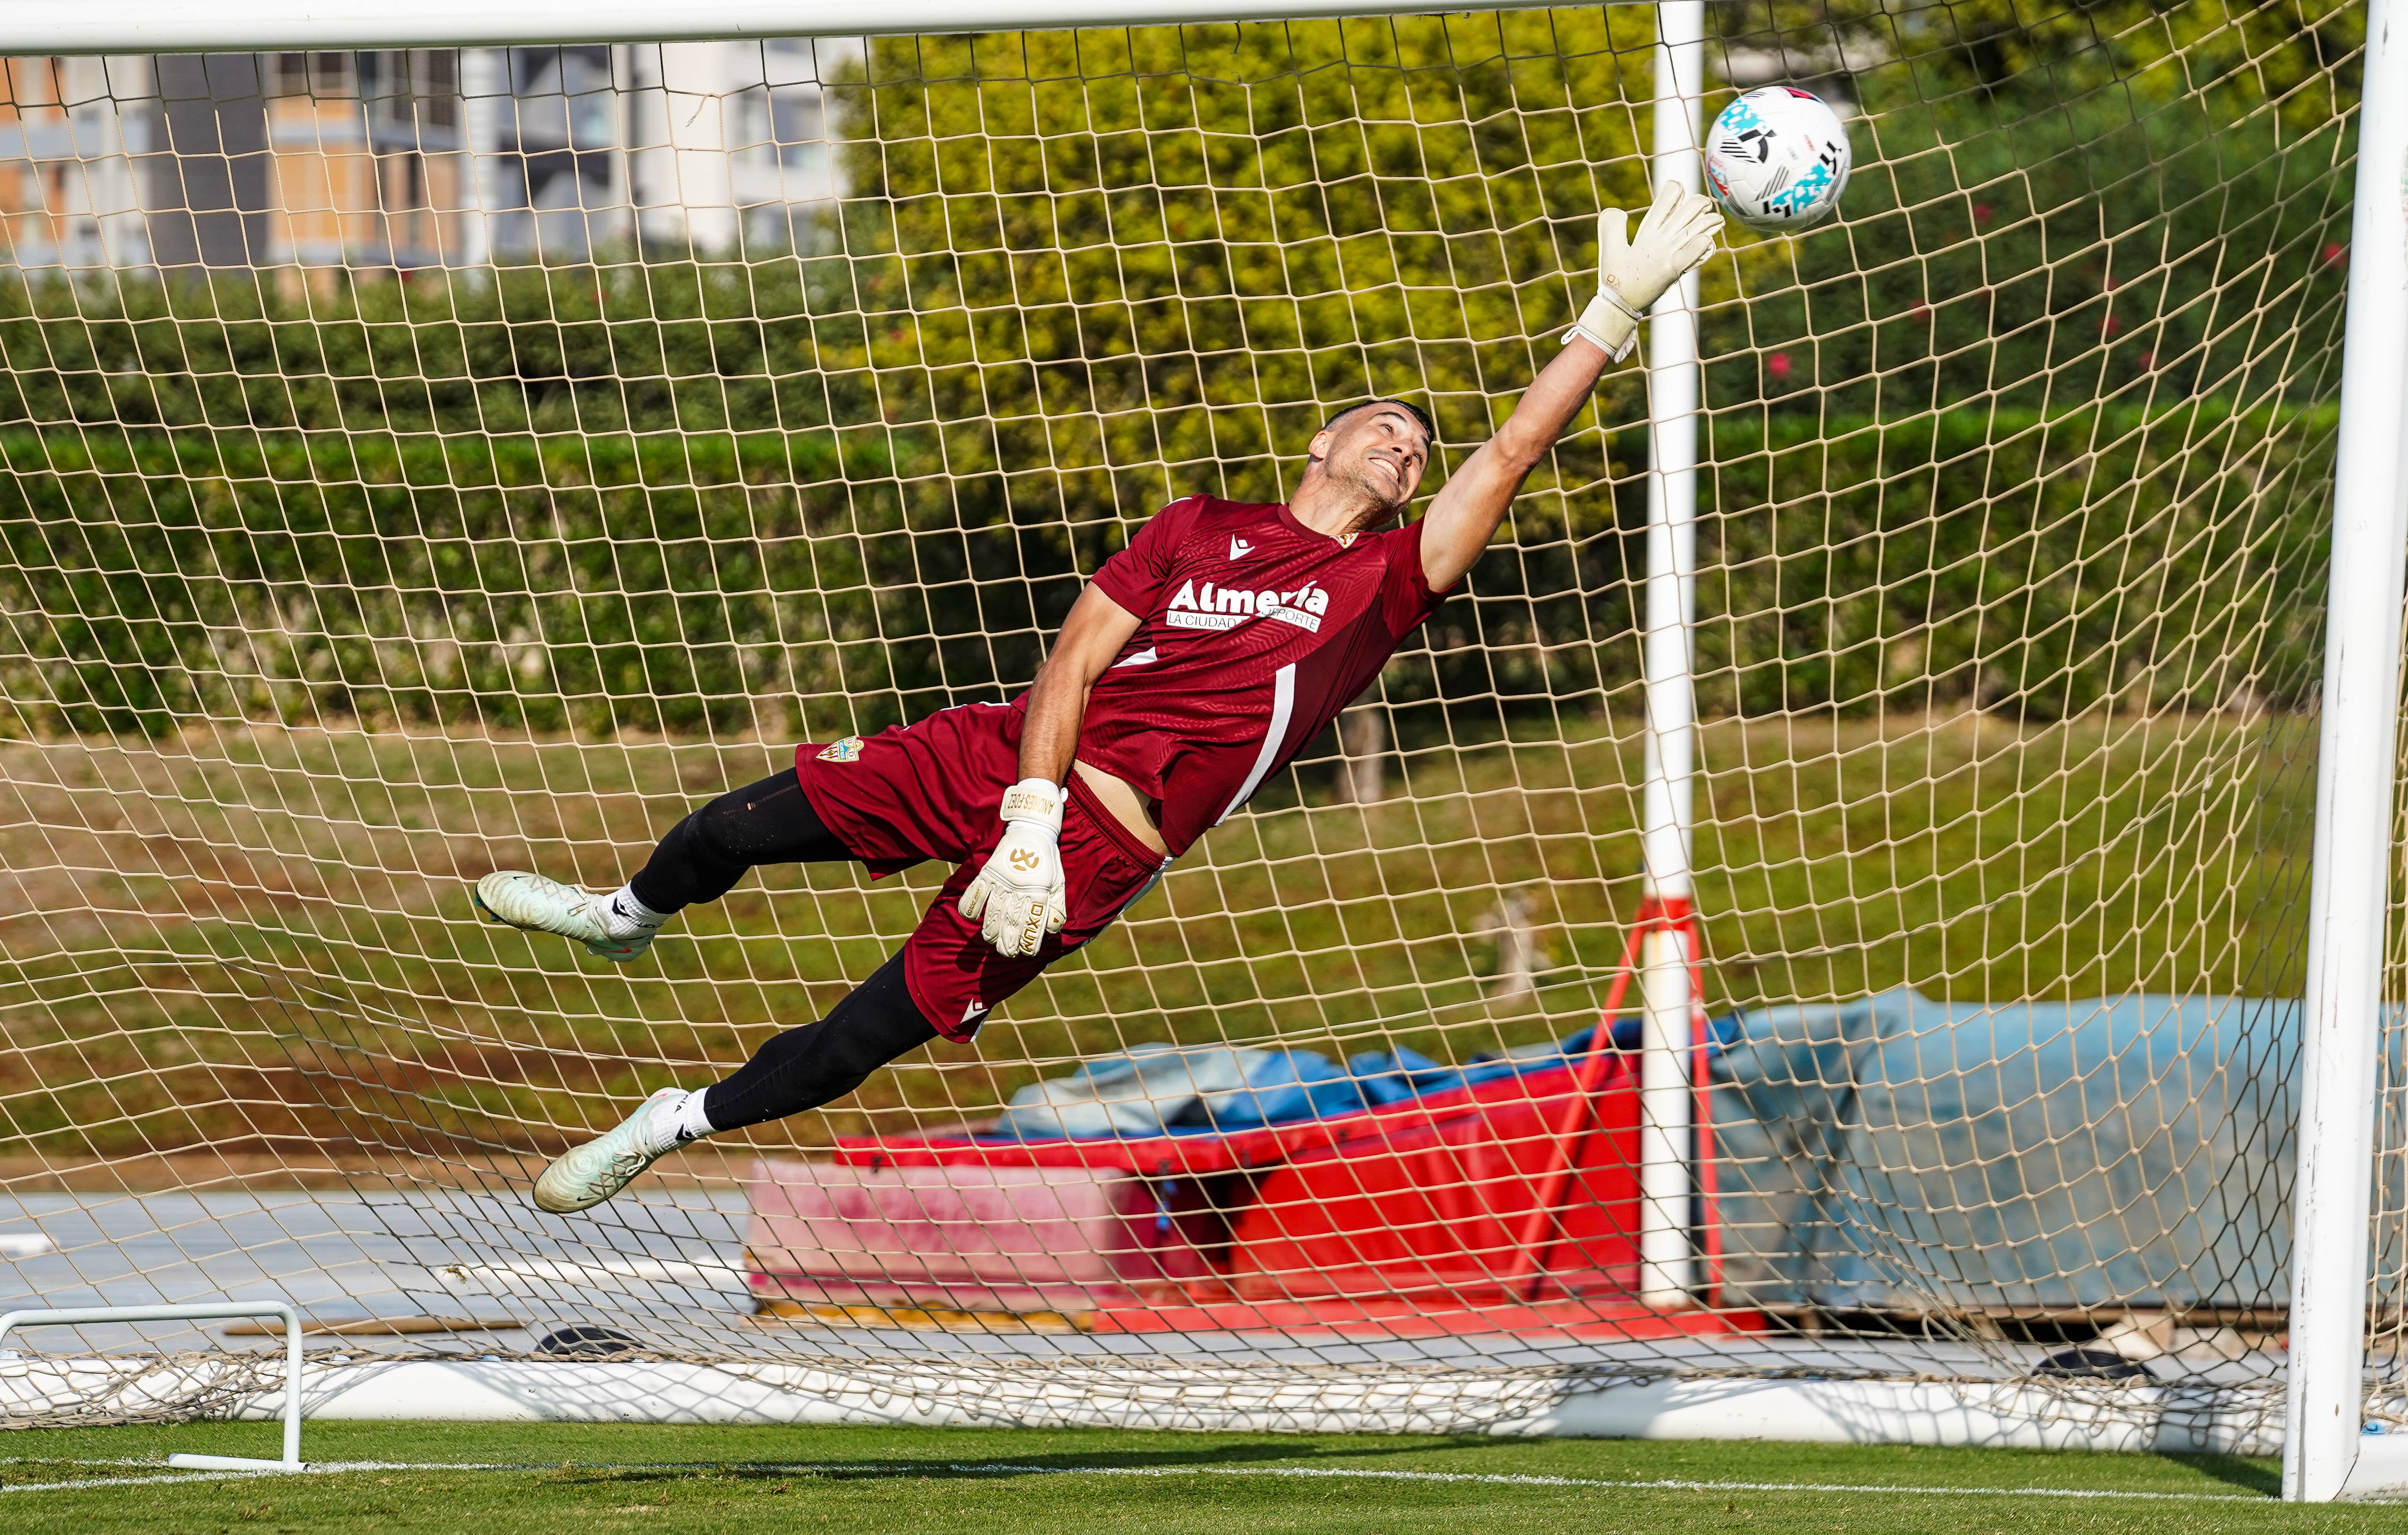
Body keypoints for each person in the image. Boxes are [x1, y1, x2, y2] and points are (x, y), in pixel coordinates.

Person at [475, 181, 1723, 1214]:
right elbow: (1072, 658)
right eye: (1384, 423)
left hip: (1102, 848)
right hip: (1007, 759)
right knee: (731, 828)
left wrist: (1611, 313)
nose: (1404, 442)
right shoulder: (1198, 527)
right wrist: (1024, 810)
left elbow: (1506, 452)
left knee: (866, 1037)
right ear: (1319, 443)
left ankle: (670, 1120)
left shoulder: (1384, 580)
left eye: (1414, 443)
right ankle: (626, 912)